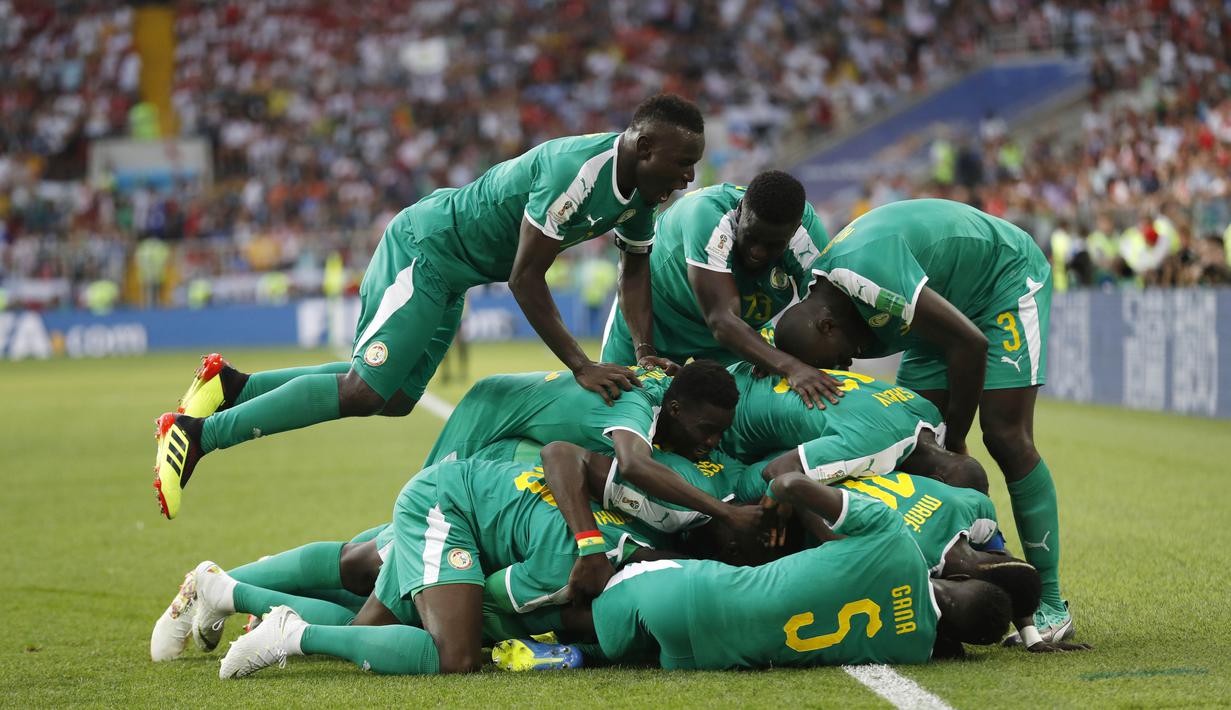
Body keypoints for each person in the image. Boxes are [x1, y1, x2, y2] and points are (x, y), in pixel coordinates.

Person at [150, 94, 706, 519]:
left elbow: (634, 269)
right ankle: (196, 435)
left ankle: (231, 387)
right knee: (364, 388)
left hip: (454, 275)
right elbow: (525, 277)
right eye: (684, 163)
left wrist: (645, 349)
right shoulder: (579, 172)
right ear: (644, 148)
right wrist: (581, 366)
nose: (689, 178)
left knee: (390, 399)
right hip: (426, 250)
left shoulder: (640, 198)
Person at [807, 197, 1072, 641]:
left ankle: (1048, 601)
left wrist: (958, 439)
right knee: (916, 445)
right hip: (936, 304)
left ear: (828, 326)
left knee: (1004, 436)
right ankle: (978, 568)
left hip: (999, 283)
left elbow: (970, 344)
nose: (847, 364)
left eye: (839, 358)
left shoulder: (870, 278)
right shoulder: (819, 295)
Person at [212, 438, 682, 678]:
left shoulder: (620, 533)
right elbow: (497, 607)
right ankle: (290, 634)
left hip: (469, 508)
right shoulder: (574, 566)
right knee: (454, 654)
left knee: (362, 632)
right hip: (445, 509)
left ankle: (228, 591)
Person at [502, 473, 1017, 670]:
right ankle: (572, 656)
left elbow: (791, 481)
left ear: (961, 581)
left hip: (685, 593)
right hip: (706, 658)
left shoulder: (898, 543)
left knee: (624, 569)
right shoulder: (917, 650)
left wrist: (773, 508)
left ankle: (512, 623)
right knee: (629, 645)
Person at [422, 360, 758, 532]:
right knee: (429, 511)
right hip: (488, 415)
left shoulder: (675, 390)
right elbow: (634, 466)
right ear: (674, 410)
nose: (713, 443)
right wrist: (724, 511)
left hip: (522, 429)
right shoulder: (636, 406)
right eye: (707, 431)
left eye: (720, 433)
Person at [600, 171, 840, 408]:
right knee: (620, 409)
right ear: (741, 210)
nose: (758, 252)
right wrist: (791, 366)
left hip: (740, 330)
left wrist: (809, 361)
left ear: (795, 229)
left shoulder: (806, 231)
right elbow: (722, 321)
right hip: (658, 317)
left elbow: (826, 314)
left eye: (773, 244)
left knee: (750, 414)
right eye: (752, 237)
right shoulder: (705, 214)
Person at [720, 297, 985, 492]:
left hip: (742, 375)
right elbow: (775, 471)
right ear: (938, 483)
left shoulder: (928, 411)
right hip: (723, 419)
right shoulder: (874, 446)